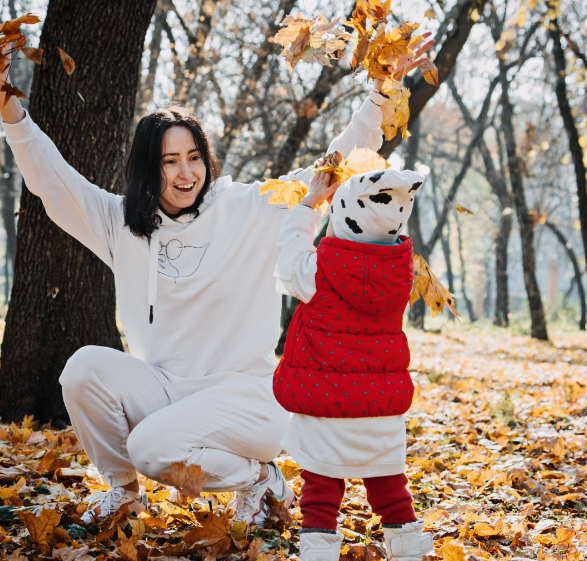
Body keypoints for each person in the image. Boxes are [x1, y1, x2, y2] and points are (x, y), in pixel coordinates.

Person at [0, 34, 438, 526]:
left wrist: (383, 93)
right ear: (149, 169)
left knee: (150, 447)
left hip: (249, 399)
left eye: (194, 157)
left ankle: (259, 479)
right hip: (167, 390)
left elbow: (335, 165)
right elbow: (52, 181)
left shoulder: (251, 205)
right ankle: (123, 493)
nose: (186, 173)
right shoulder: (120, 221)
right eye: (170, 162)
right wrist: (9, 108)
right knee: (82, 369)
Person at [272, 167, 434, 561]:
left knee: (321, 492)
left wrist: (309, 205)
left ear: (344, 213)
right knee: (391, 490)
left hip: (327, 406)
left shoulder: (318, 271)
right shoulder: (401, 274)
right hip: (380, 409)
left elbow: (288, 253)